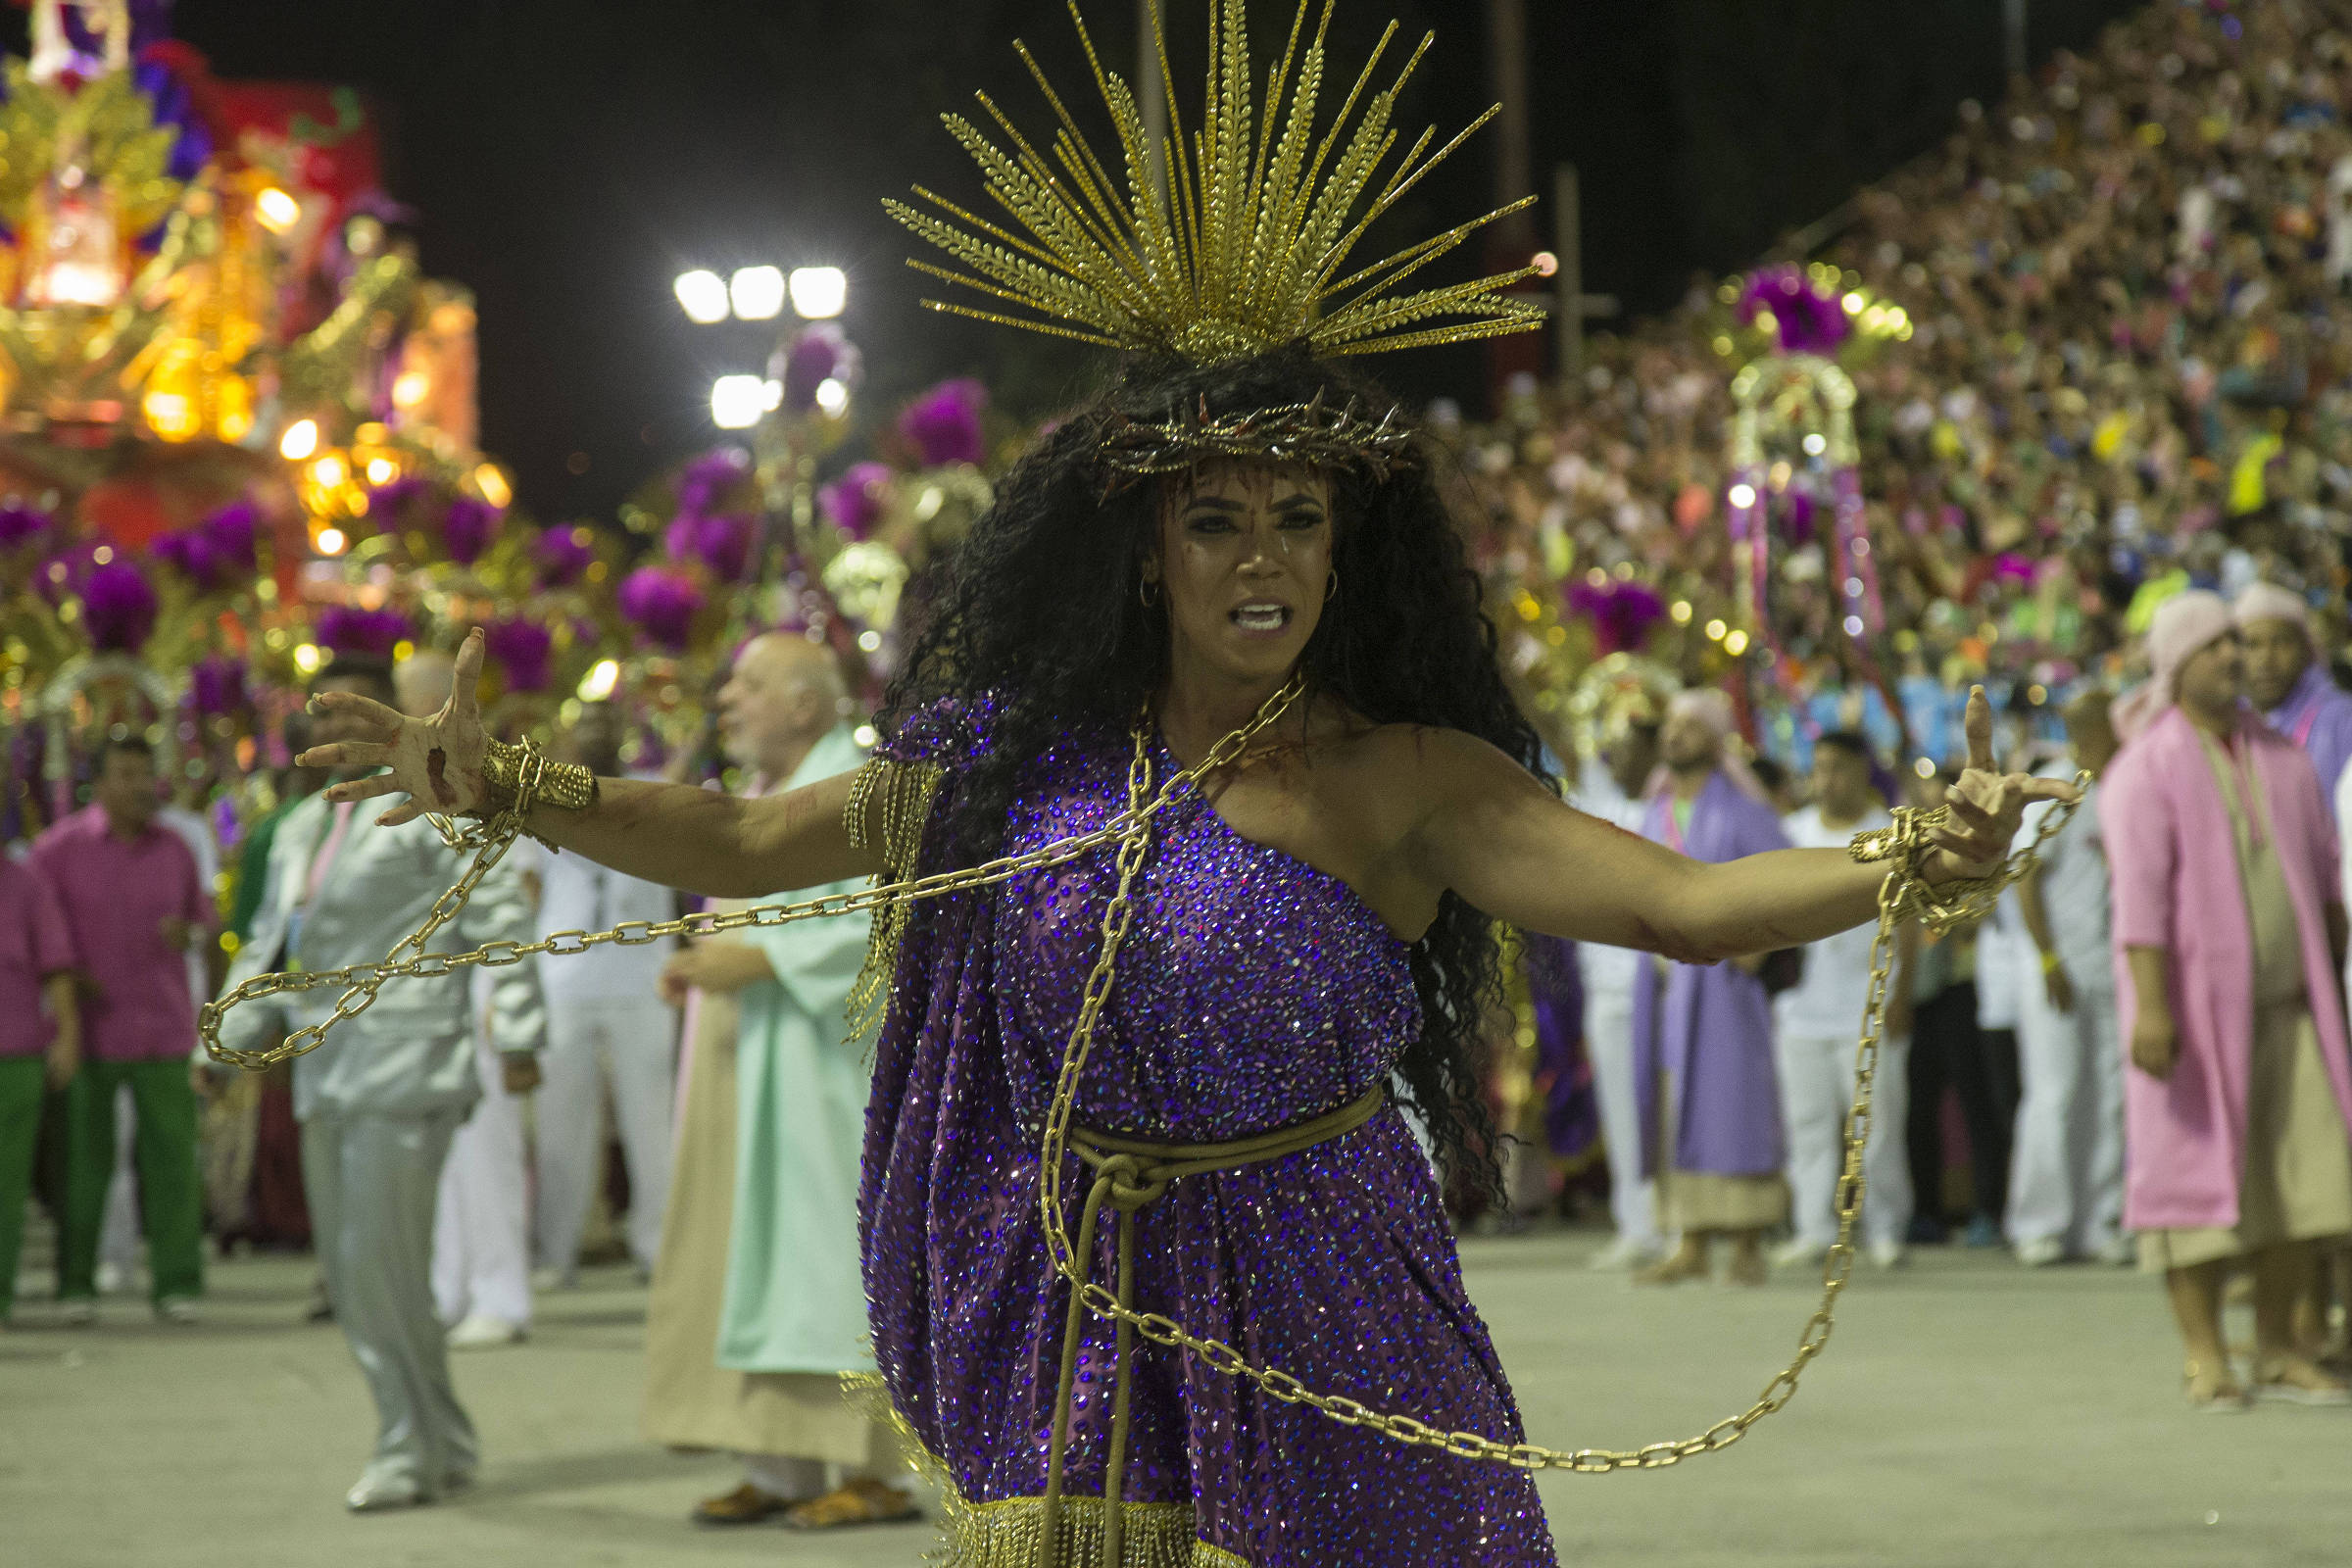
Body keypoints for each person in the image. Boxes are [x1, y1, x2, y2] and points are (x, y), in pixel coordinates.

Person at [289, 15, 2062, 1553]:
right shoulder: (1006, 770)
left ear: (1346, 547)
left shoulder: (1406, 781)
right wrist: (505, 782)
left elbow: (1680, 909)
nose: (1264, 557)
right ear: (1145, 550)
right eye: (1218, 519)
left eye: (1300, 517)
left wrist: (1905, 857)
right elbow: (745, 839)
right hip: (1075, 1298)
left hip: (1336, 1291)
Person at [215, 654, 547, 1509]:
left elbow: (497, 907)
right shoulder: (297, 826)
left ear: (382, 721)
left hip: (409, 1058)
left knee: (380, 1262)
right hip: (324, 1067)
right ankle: (441, 1435)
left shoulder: (426, 806)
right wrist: (223, 1038)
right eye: (318, 718)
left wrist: (517, 1031)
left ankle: (405, 1446)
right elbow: (268, 945)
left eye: (348, 715)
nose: (332, 733)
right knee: (357, 1266)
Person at [636, 632, 915, 1529]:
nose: (728, 701)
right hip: (751, 1056)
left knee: (829, 1259)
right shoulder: (759, 793)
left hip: (826, 1069)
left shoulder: (859, 788)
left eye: (749, 685)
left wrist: (756, 959)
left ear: (807, 702)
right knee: (745, 1248)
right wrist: (712, 963)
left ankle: (874, 1471)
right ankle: (782, 1463)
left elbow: (878, 920)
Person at [2104, 592, 2352, 1410]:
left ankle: (2279, 1348)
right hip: (2191, 1021)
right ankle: (2206, 1357)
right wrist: (2151, 1008)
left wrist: (2331, 986)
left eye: (2235, 646)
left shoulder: (2280, 756)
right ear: (2176, 662)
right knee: (2192, 1191)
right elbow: (2138, 905)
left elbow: (2324, 888)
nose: (2234, 659)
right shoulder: (2145, 766)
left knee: (2297, 1185)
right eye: (2215, 648)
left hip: (2292, 1009)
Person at [30, 736, 211, 1325]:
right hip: (88, 1034)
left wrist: (187, 936)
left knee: (172, 1162)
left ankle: (177, 1283)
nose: (139, 786)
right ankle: (76, 1285)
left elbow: (203, 923)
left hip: (164, 1027)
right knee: (83, 1166)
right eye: (125, 775)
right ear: (99, 784)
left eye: (145, 774)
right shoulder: (58, 852)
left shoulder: (176, 848)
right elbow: (34, 934)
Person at [397, 648, 539, 1351]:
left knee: (487, 1154)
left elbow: (510, 913)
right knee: (443, 1154)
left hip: (481, 988)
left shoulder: (484, 780)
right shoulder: (410, 784)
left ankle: (501, 1292)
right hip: (425, 999)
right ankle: (451, 1286)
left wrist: (516, 1023)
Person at [1629, 689, 1792, 1288]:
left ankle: (1749, 1241)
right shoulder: (1654, 813)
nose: (1674, 735)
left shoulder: (1744, 809)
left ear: (1718, 738)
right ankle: (1690, 1240)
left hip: (1728, 986)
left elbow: (1787, 879)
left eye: (1690, 726)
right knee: (1674, 1102)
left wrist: (1759, 944)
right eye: (1669, 725)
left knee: (1735, 1102)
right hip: (1670, 989)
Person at [525, 701, 678, 1289]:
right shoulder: (539, 797)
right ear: (568, 735)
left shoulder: (656, 793)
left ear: (623, 731)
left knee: (652, 1121)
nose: (596, 732)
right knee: (562, 1123)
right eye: (585, 724)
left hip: (643, 977)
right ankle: (555, 1254)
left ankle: (658, 1249)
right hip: (563, 980)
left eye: (606, 722)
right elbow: (526, 885)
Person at [1771, 731, 1913, 1271]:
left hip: (1868, 1003)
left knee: (1874, 1127)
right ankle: (1813, 1228)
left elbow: (1911, 926)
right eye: (1819, 766)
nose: (1826, 779)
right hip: (1802, 1008)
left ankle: (1884, 1228)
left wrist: (1900, 995)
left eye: (1837, 767)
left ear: (1861, 771)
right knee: (1807, 1124)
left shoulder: (1887, 831)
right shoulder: (1793, 832)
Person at [2008, 690, 2129, 1267]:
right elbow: (2025, 878)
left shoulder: (2128, 783)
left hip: (2115, 968)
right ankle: (2040, 1223)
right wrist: (2048, 959)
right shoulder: (2057, 786)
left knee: (2109, 1097)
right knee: (2053, 1095)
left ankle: (2098, 1223)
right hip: (2059, 966)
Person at [1568, 707, 1669, 1269]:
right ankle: (1636, 1225)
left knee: (1667, 1111)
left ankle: (1678, 1223)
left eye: (1631, 746)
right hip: (1606, 989)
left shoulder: (1668, 809)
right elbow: (1563, 748)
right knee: (1621, 1110)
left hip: (1661, 986)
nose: (1617, 754)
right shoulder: (1600, 805)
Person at [0, 848, 77, 1327]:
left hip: (15, 1055)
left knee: (7, 1182)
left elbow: (56, 965)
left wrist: (68, 1032)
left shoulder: (25, 882)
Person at [2236, 581, 2352, 803]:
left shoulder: (2340, 719)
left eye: (2281, 642)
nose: (2266, 660)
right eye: (2252, 644)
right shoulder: (2231, 722)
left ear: (2306, 651)